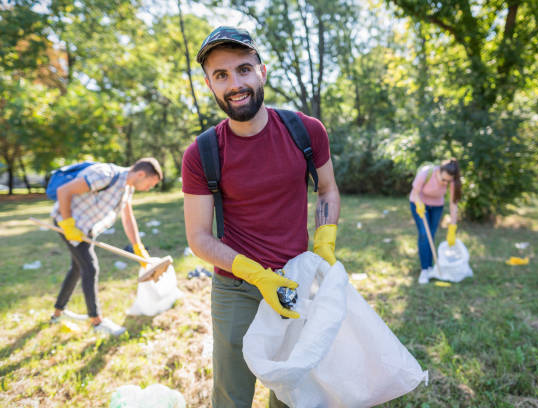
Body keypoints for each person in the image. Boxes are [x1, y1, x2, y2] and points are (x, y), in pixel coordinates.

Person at [181, 26, 341, 408]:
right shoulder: (201, 153)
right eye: (221, 75)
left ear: (262, 72)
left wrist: (325, 241)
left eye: (243, 69)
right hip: (235, 288)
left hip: (295, 278)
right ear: (209, 85)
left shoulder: (306, 131)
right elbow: (199, 237)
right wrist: (255, 274)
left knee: (290, 389)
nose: (235, 83)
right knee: (231, 395)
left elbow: (327, 190)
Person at [49, 158, 163, 335]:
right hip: (67, 223)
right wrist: (68, 224)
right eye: (150, 184)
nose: (149, 188)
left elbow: (127, 218)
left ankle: (57, 314)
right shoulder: (105, 174)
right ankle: (97, 322)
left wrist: (138, 247)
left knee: (78, 268)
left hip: (84, 229)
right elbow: (64, 191)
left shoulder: (126, 189)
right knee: (90, 267)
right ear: (141, 174)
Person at [409, 159, 462, 284]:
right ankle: (424, 269)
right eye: (443, 180)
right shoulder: (425, 173)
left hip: (437, 206)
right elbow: (415, 193)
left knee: (431, 235)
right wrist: (419, 205)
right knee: (424, 234)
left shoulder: (452, 180)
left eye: (448, 181)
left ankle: (430, 267)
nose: (445, 183)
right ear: (439, 171)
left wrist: (452, 227)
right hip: (419, 203)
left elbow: (453, 204)